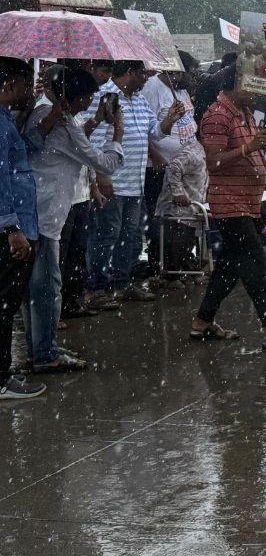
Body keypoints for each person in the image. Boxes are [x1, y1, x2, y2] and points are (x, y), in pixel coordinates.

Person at [22, 68, 123, 374]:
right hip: (45, 214)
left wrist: (93, 123)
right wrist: (116, 134)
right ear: (73, 96)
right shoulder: (57, 119)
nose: (90, 102)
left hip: (43, 212)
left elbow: (76, 143)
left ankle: (41, 347)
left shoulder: (52, 115)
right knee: (46, 288)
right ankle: (45, 353)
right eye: (87, 97)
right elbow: (101, 160)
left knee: (37, 289)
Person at [191, 72, 266, 352]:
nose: (257, 93)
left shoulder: (247, 113)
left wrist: (265, 169)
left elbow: (253, 154)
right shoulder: (217, 115)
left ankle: (202, 322)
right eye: (251, 86)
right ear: (235, 85)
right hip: (229, 205)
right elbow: (214, 161)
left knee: (228, 268)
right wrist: (246, 149)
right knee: (256, 266)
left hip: (248, 202)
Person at [84, 60, 184, 309]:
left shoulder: (139, 100)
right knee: (107, 235)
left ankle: (122, 282)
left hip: (135, 182)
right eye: (143, 73)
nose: (147, 78)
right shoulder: (105, 97)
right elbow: (93, 140)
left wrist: (169, 120)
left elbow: (154, 132)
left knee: (131, 236)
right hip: (112, 182)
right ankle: (98, 288)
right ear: (130, 73)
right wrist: (100, 176)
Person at [0, 58, 43, 399]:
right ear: (9, 84)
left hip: (19, 222)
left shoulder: (7, 119)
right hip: (11, 228)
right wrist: (11, 227)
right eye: (25, 83)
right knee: (5, 302)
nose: (28, 91)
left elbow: (25, 152)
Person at [140, 52, 200, 279]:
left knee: (183, 217)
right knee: (161, 218)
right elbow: (143, 128)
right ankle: (160, 266)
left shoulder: (181, 91)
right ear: (176, 70)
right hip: (160, 168)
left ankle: (180, 261)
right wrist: (154, 155)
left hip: (185, 168)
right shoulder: (153, 88)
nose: (191, 79)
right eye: (189, 73)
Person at [154, 131, 208, 277]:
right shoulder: (193, 152)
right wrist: (178, 192)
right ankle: (172, 278)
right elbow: (173, 167)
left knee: (183, 247)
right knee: (174, 249)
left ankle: (182, 274)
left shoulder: (204, 152)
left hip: (190, 211)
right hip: (176, 211)